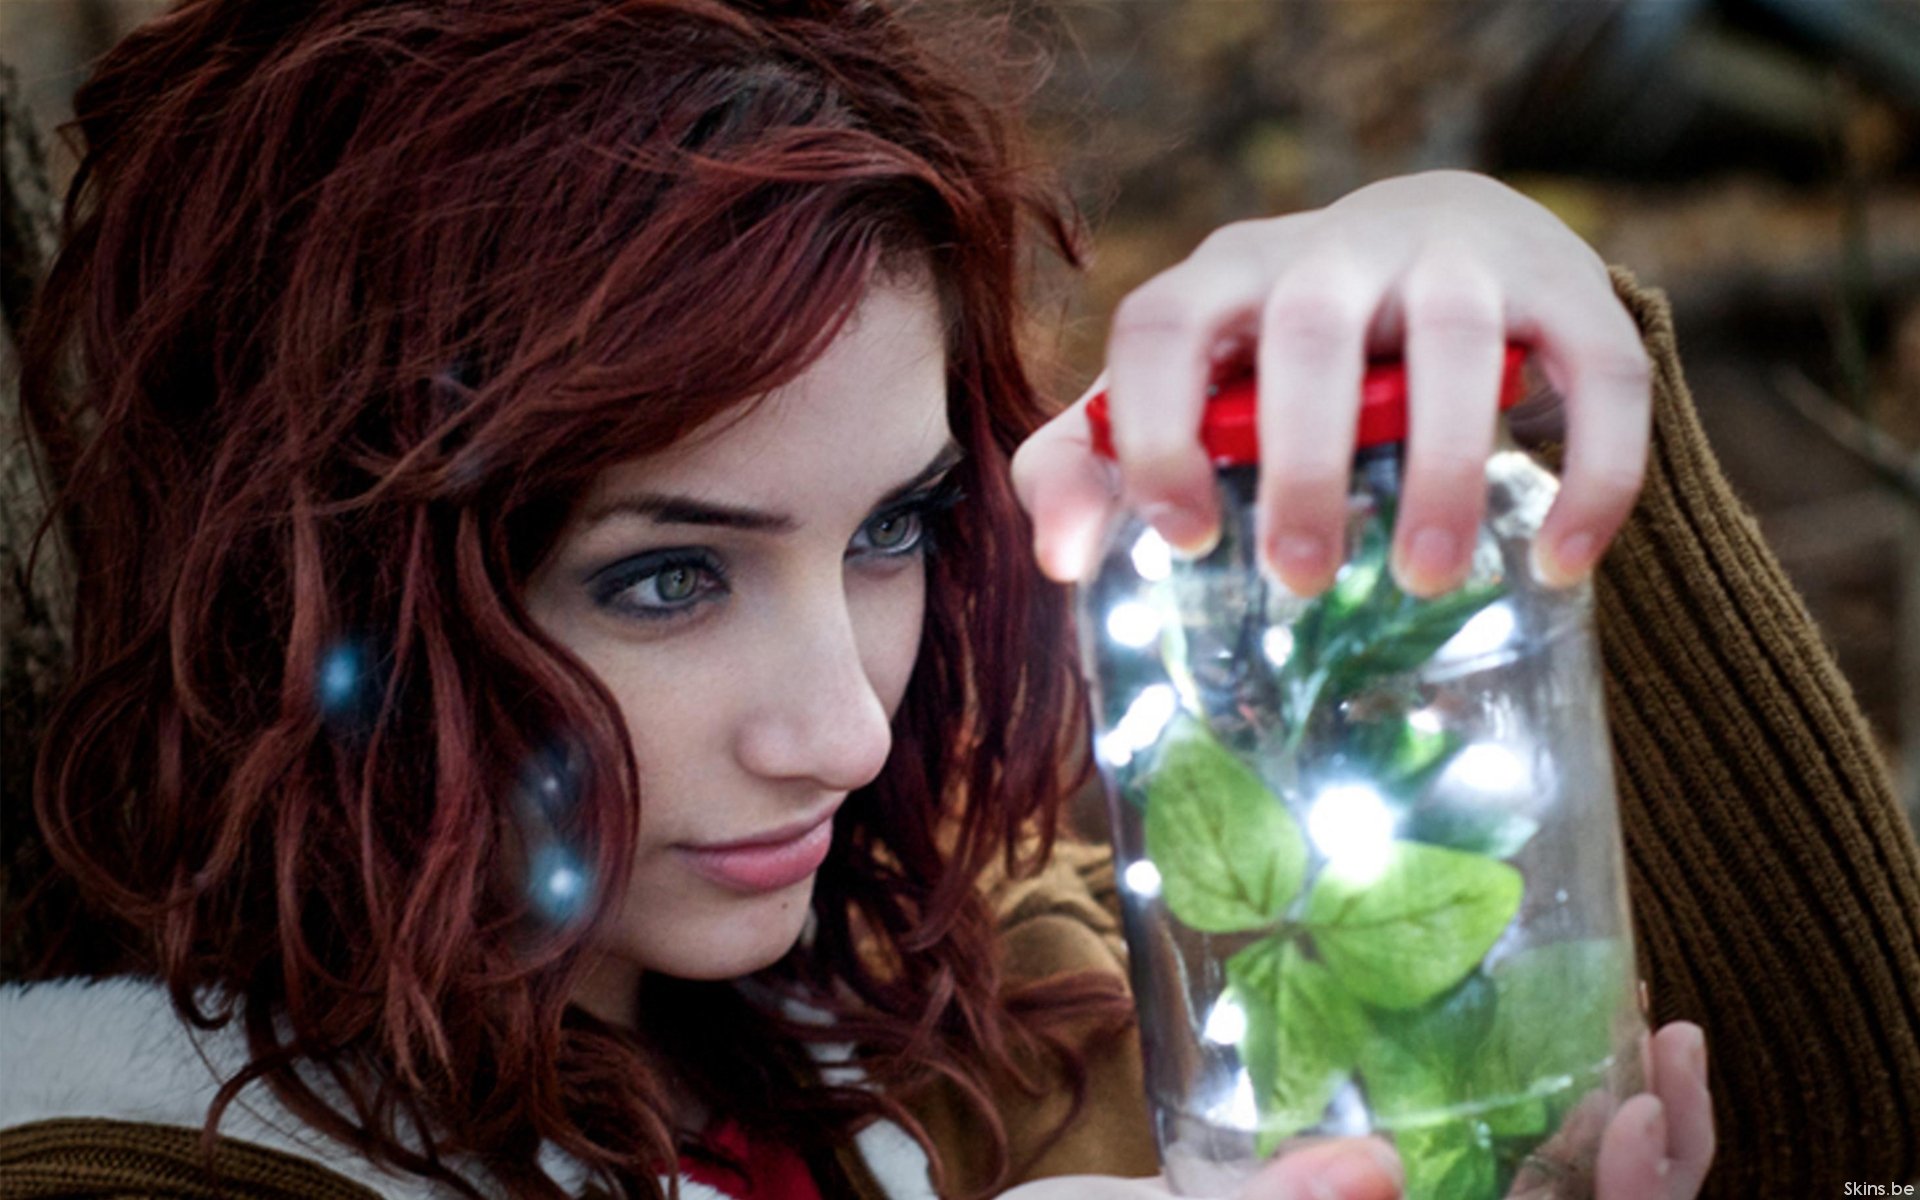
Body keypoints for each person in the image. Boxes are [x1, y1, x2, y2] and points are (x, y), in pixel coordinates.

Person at [3, 0, 1915, 1197]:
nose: (844, 725)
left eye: (894, 529)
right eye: (667, 576)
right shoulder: (133, 1157)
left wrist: (1535, 422)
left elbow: (1852, 1139)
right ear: (315, 586)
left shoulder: (986, 985)